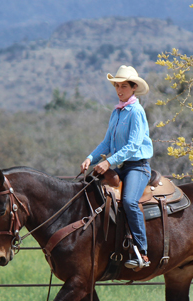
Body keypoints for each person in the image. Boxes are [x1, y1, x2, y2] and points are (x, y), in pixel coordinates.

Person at [80, 65, 153, 269]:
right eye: (117, 86)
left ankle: (142, 251)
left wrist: (108, 162)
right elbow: (106, 144)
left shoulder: (136, 112)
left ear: (133, 88)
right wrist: (90, 158)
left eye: (123, 86)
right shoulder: (117, 112)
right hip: (121, 166)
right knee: (91, 189)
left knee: (129, 201)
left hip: (138, 167)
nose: (119, 90)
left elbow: (133, 146)